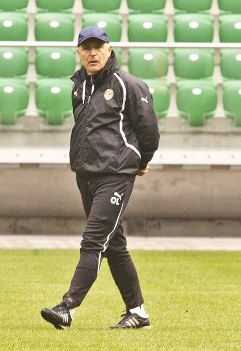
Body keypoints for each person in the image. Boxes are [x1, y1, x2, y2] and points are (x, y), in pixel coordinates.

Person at [40, 27, 160, 330]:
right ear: (79, 52)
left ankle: (68, 307)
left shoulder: (128, 85)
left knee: (93, 240)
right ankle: (138, 312)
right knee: (114, 246)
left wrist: (140, 162)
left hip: (116, 175)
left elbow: (149, 132)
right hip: (86, 175)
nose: (92, 53)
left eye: (98, 47)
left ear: (110, 50)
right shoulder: (78, 87)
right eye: (86, 48)